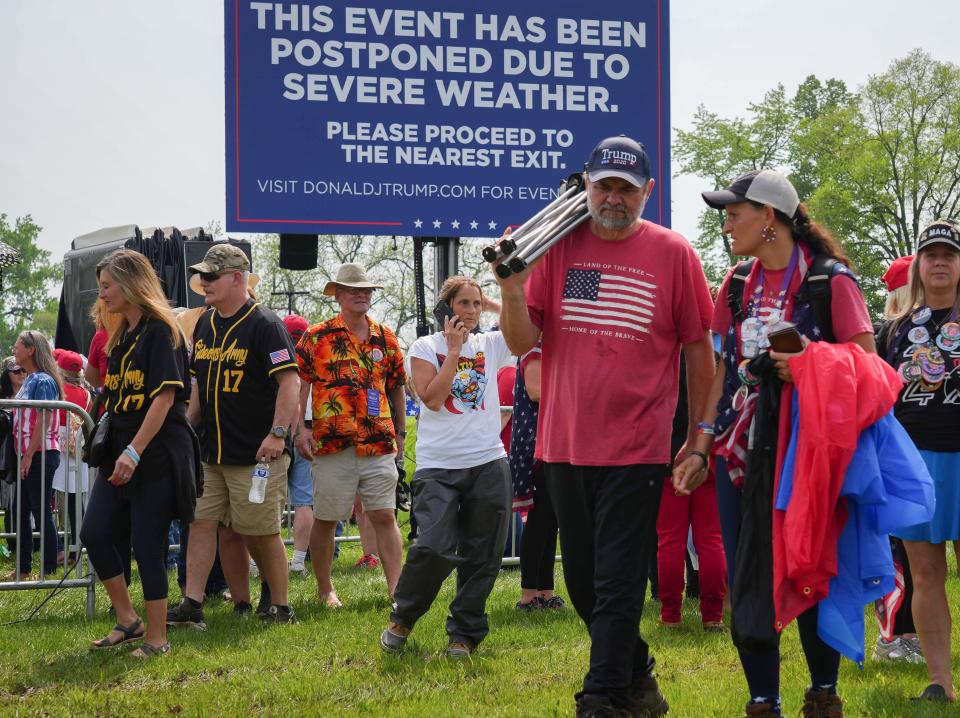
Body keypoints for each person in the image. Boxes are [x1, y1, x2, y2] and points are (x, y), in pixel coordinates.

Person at [494, 135, 714, 717]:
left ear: (648, 192)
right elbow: (521, 342)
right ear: (587, 185)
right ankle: (637, 671)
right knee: (586, 586)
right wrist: (512, 290)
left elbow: (698, 350)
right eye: (604, 186)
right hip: (564, 444)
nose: (614, 198)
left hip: (639, 447)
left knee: (618, 582)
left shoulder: (674, 253)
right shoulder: (557, 249)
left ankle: (604, 700)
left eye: (626, 188)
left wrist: (699, 436)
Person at [674, 170, 876, 717]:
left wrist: (808, 363)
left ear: (769, 217)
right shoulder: (736, 283)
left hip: (810, 453)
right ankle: (763, 701)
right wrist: (701, 442)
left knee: (810, 569)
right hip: (742, 452)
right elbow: (723, 367)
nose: (725, 223)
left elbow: (870, 367)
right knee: (749, 575)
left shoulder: (830, 282)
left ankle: (823, 697)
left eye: (734, 213)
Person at [380, 275, 514, 658]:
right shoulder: (425, 347)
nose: (470, 312)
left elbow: (524, 324)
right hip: (438, 466)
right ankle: (404, 616)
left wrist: (491, 303)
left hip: (489, 462)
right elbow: (434, 400)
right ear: (445, 308)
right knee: (434, 547)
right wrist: (453, 351)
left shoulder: (491, 343)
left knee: (483, 554)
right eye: (463, 303)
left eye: (476, 304)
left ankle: (464, 634)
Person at [167, 244, 300, 627]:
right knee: (206, 524)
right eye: (203, 276)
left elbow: (290, 382)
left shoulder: (265, 324)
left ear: (237, 278)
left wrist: (277, 435)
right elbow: (199, 388)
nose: (204, 283)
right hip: (210, 451)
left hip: (256, 452)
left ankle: (281, 606)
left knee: (259, 530)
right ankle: (201, 602)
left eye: (212, 276)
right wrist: (186, 426)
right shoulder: (205, 324)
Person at [78, 249, 197, 657]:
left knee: (148, 543)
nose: (103, 294)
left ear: (131, 283)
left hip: (157, 449)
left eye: (108, 285)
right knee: (93, 531)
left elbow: (165, 398)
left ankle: (157, 639)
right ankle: (128, 620)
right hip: (123, 446)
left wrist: (134, 450)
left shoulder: (161, 330)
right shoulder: (122, 334)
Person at [877, 220, 960, 702]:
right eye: (931, 255)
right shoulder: (893, 329)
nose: (941, 262)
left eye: (949, 254)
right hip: (912, 465)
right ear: (919, 267)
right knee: (926, 576)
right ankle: (940, 682)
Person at [294, 263, 406, 607]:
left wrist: (400, 434)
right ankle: (326, 589)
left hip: (378, 442)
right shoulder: (316, 336)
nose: (362, 294)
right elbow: (299, 385)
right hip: (332, 443)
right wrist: (299, 429)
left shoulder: (386, 337)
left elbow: (397, 387)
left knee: (385, 515)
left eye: (367, 290)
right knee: (327, 518)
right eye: (354, 289)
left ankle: (397, 592)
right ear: (338, 295)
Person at [871, 254, 923, 665]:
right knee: (898, 552)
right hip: (897, 454)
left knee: (911, 552)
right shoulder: (888, 335)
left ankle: (908, 635)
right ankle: (893, 637)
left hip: (909, 453)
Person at [497, 345, 564, 612]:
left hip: (552, 445)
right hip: (537, 447)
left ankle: (545, 592)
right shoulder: (534, 350)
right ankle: (528, 595)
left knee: (550, 524)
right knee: (539, 524)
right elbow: (536, 391)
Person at [8, 330, 64, 580]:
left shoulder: (42, 381)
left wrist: (29, 454)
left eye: (17, 346)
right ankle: (24, 566)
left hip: (40, 453)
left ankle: (49, 567)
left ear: (31, 350)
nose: (13, 350)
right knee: (21, 510)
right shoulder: (30, 379)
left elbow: (45, 417)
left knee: (40, 510)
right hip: (29, 454)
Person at [51, 350, 92, 567]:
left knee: (65, 503)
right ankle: (76, 548)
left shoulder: (60, 390)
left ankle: (71, 550)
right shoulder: (86, 393)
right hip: (79, 448)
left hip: (61, 448)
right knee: (77, 504)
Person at [280, 313, 314, 576]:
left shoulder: (276, 358)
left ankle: (258, 563)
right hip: (307, 435)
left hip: (278, 435)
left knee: (270, 503)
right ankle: (299, 561)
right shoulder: (314, 360)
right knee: (304, 502)